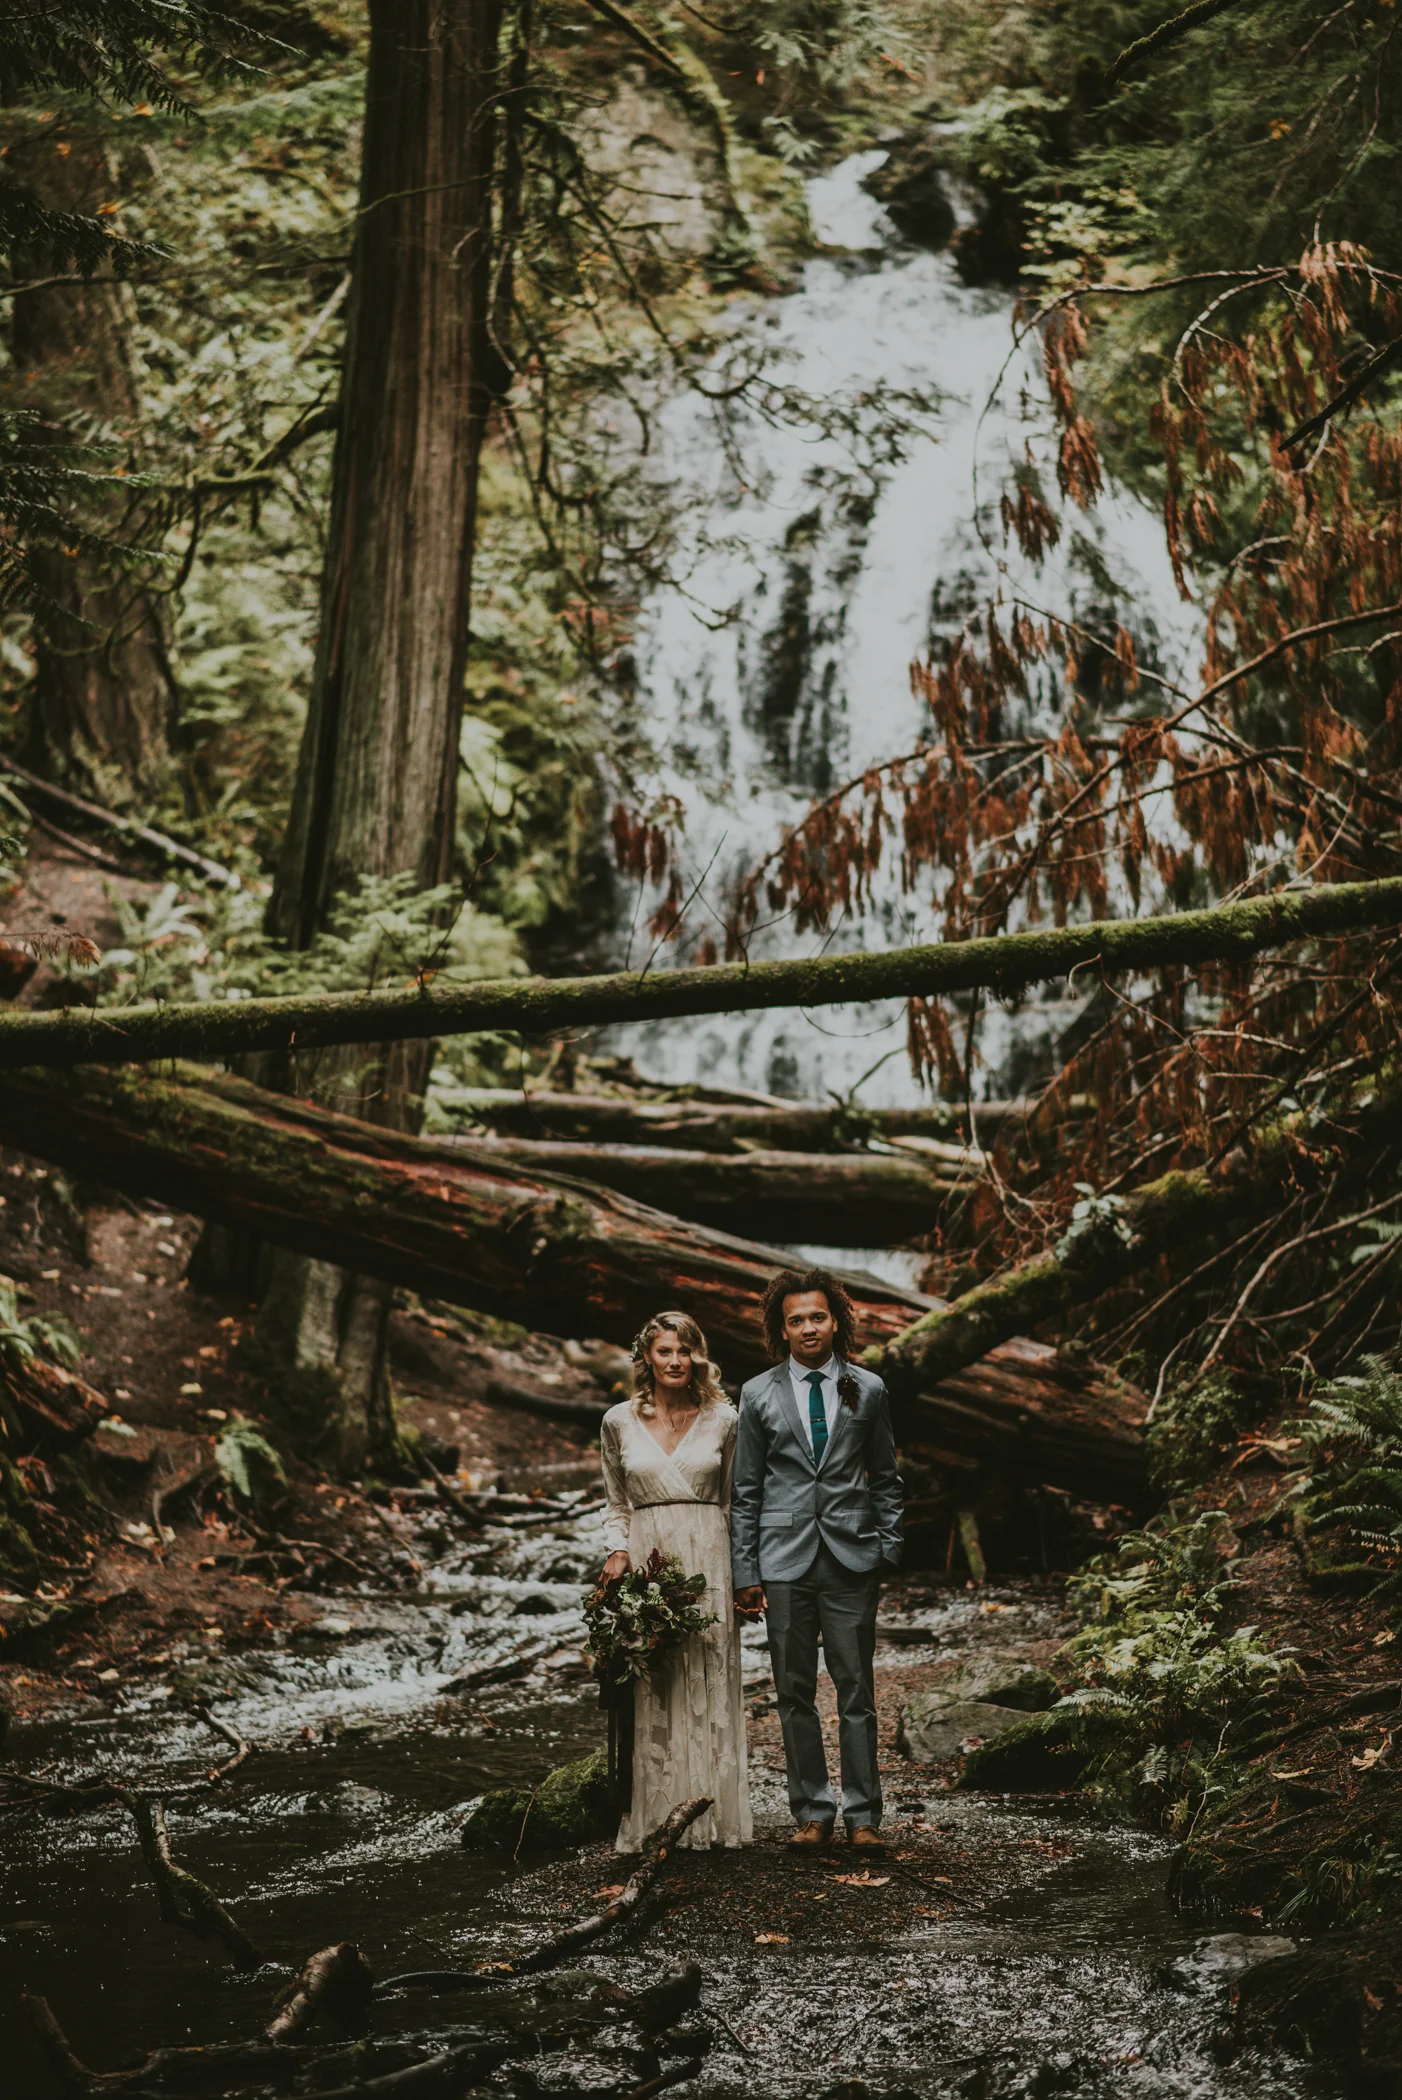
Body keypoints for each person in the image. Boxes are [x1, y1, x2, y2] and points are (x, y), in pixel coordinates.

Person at [731, 1267, 903, 1850]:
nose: (808, 1328)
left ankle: (864, 1818)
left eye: (817, 1317)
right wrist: (745, 1571)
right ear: (782, 1329)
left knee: (857, 1691)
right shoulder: (756, 1393)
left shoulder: (870, 1388)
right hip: (783, 1563)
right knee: (793, 1691)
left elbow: (885, 1477)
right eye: (796, 1319)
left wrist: (888, 1546)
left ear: (837, 1321)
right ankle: (812, 1811)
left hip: (853, 1559)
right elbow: (746, 1490)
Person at [598, 1310, 753, 1851]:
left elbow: (736, 1502)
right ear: (646, 1358)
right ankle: (656, 1815)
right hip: (648, 1559)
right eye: (665, 1351)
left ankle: (713, 1817)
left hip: (709, 1553)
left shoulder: (725, 1420)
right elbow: (617, 1502)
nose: (675, 1361)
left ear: (698, 1357)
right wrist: (618, 1550)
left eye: (685, 1351)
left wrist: (744, 1576)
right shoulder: (618, 1420)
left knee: (708, 1673)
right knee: (656, 1678)